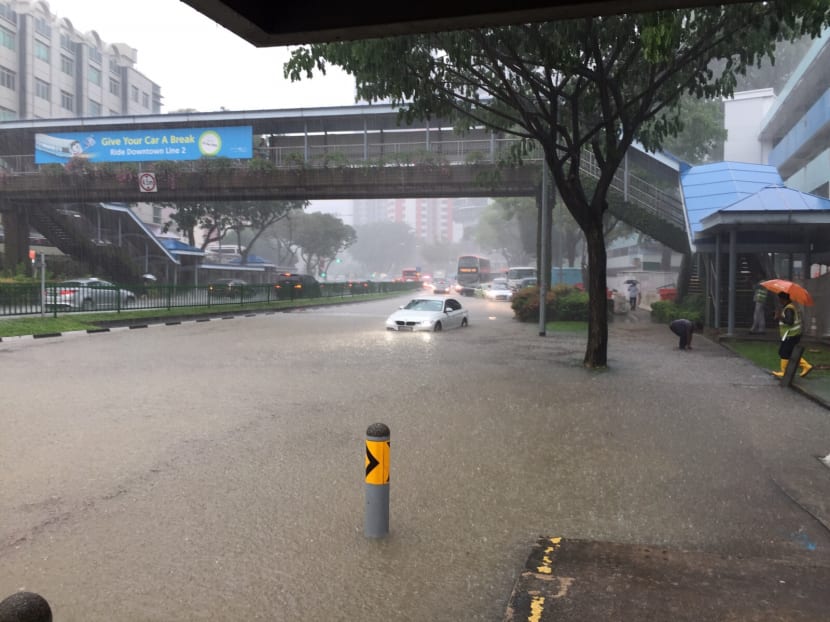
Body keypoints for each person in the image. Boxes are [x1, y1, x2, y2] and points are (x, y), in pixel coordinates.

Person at [771, 291, 813, 378]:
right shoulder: (789, 307)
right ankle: (806, 366)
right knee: (788, 352)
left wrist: (780, 317)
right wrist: (778, 317)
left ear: (784, 299)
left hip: (791, 335)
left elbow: (790, 322)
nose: (779, 301)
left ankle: (784, 372)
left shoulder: (789, 309)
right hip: (793, 334)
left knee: (784, 352)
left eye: (780, 299)